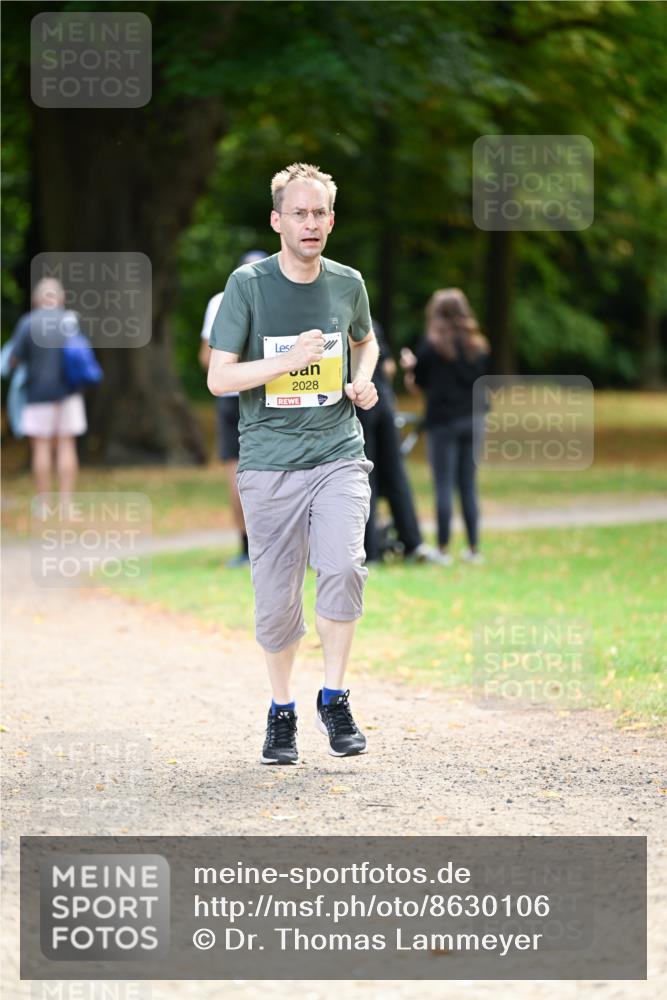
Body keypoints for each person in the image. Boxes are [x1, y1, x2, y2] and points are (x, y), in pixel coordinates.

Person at [207, 162, 379, 765]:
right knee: (276, 601)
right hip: (268, 463)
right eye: (299, 213)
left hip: (337, 452)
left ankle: (334, 696)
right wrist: (285, 363)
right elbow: (218, 377)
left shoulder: (347, 282)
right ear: (277, 220)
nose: (311, 223)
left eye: (320, 214)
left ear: (331, 220)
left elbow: (366, 340)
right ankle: (282, 711)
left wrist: (362, 381)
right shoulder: (247, 286)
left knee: (344, 565)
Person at [401, 288, 490, 564]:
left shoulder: (430, 346)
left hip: (442, 422)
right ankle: (474, 549)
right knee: (468, 485)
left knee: (443, 484)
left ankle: (442, 548)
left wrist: (409, 368)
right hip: (474, 418)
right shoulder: (478, 345)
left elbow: (418, 386)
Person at [198, 250, 269, 567]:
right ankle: (259, 548)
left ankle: (247, 550)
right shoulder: (277, 297)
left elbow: (205, 357)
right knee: (270, 476)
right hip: (260, 395)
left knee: (240, 476)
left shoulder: (219, 300)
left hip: (237, 396)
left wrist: (229, 365)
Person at [355, 319, 440, 564]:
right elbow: (389, 366)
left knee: (363, 477)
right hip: (384, 402)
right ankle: (413, 542)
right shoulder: (370, 321)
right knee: (396, 475)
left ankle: (368, 550)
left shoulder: (336, 318)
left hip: (361, 403)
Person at [8, 278, 88, 516]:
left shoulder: (27, 323)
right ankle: (66, 506)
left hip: (37, 394)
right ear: (61, 298)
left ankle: (43, 505)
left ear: (36, 300)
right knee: (67, 446)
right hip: (69, 393)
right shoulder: (70, 321)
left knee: (41, 448)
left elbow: (13, 360)